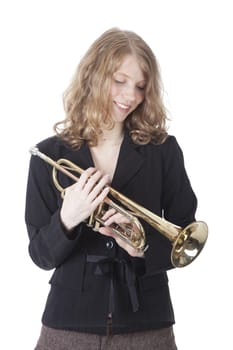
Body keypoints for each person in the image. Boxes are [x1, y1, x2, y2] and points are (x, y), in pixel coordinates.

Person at [25, 27, 198, 350]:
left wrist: (141, 248)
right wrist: (68, 217)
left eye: (140, 87)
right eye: (119, 81)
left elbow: (184, 236)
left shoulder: (163, 150)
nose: (130, 95)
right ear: (93, 74)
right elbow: (40, 255)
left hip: (148, 321)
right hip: (69, 324)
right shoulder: (50, 155)